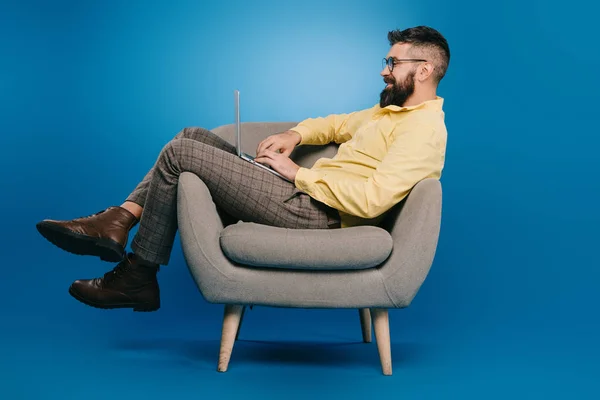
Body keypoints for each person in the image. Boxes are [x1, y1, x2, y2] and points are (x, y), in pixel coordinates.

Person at [36, 26, 450, 312]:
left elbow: (373, 198)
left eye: (393, 63)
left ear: (424, 69)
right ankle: (120, 224)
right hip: (306, 196)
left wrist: (295, 173)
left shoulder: (423, 130)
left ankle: (134, 264)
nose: (384, 69)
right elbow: (336, 124)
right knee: (193, 133)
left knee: (181, 152)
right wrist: (295, 136)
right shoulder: (390, 112)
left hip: (320, 214)